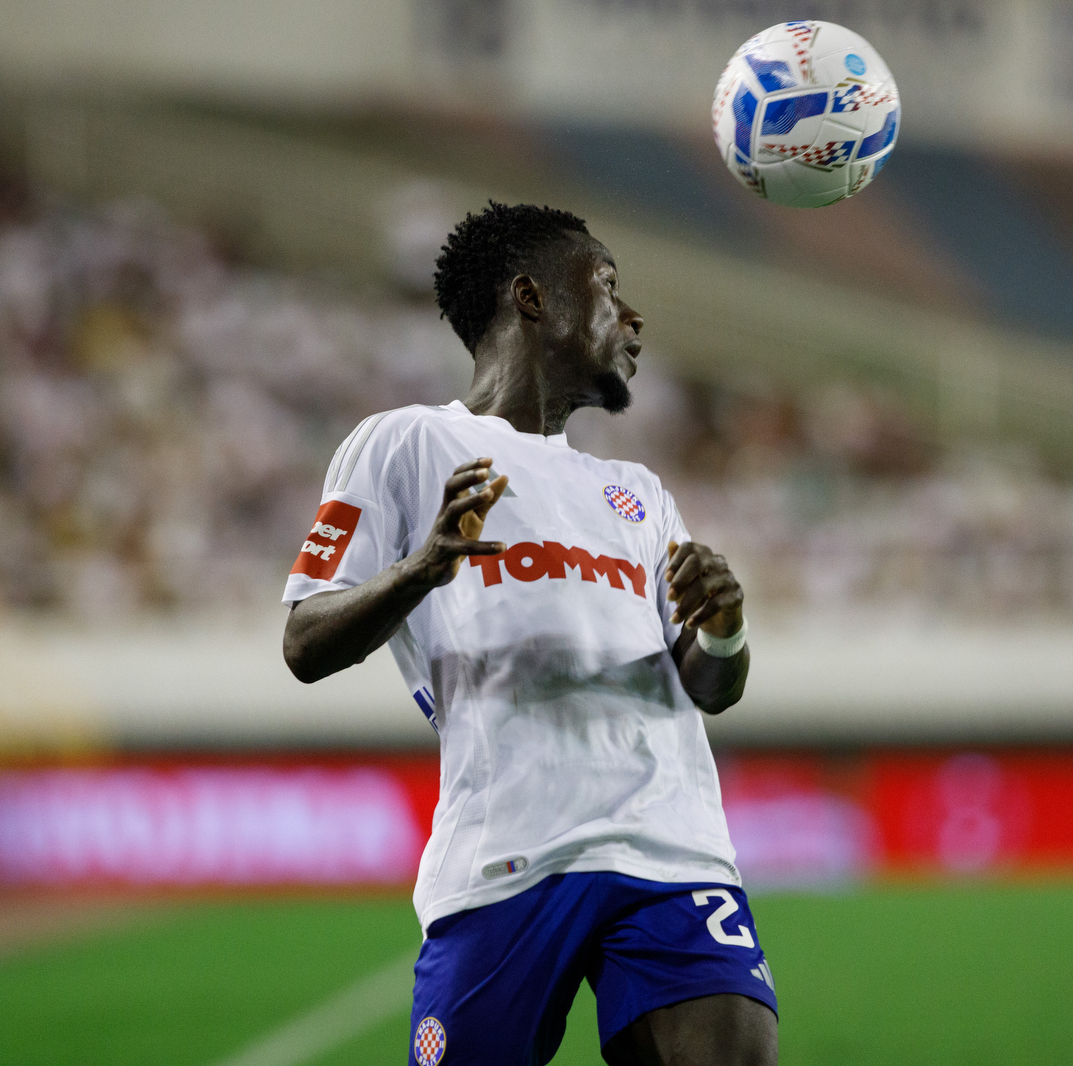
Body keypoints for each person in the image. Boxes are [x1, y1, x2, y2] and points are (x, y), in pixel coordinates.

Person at [282, 202, 775, 1066]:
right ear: (531, 298)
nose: (634, 318)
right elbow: (303, 642)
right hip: (507, 855)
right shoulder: (409, 443)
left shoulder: (637, 492)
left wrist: (724, 629)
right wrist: (419, 569)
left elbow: (709, 688)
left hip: (671, 849)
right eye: (609, 288)